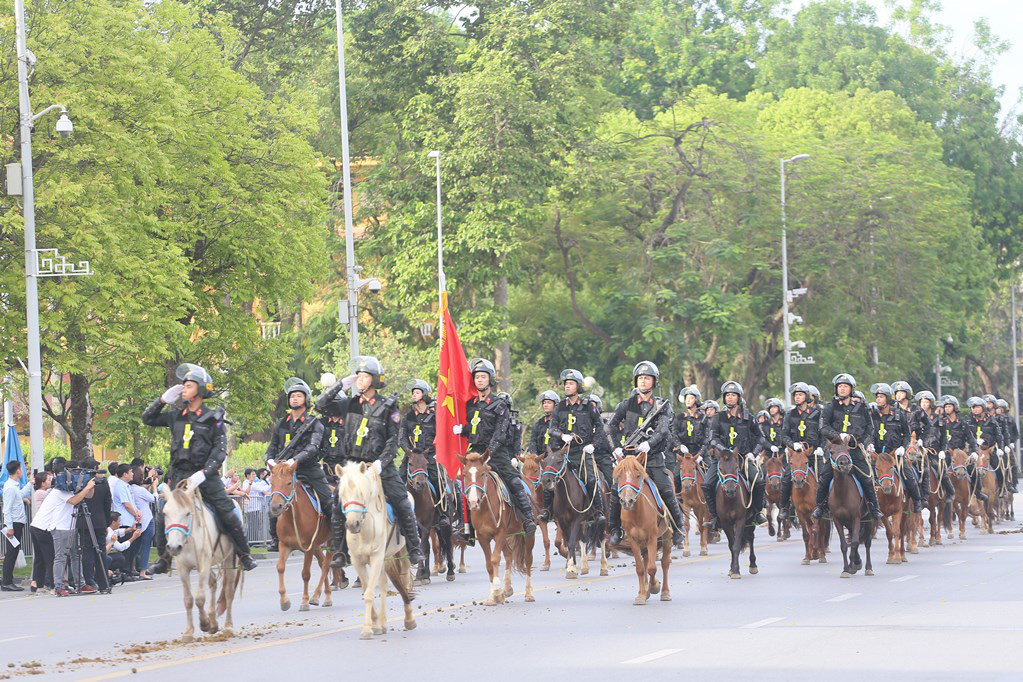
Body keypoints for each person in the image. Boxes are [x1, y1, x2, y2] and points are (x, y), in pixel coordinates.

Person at [142, 363, 257, 573]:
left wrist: (204, 473)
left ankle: (244, 554)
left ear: (201, 390)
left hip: (205, 476)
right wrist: (161, 401)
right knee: (163, 514)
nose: (183, 389)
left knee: (227, 511)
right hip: (179, 476)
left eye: (189, 386)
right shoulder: (175, 416)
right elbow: (147, 418)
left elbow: (220, 451)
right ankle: (164, 559)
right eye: (183, 386)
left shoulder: (214, 419)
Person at [331, 356, 426, 565]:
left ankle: (414, 546)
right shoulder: (350, 404)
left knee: (402, 500)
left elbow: (393, 439)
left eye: (364, 377)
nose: (359, 380)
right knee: (337, 502)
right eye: (358, 377)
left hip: (380, 466)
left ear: (374, 380)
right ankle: (340, 551)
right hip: (354, 466)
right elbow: (322, 406)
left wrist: (381, 463)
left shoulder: (388, 407)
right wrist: (341, 384)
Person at [454, 358, 538, 538]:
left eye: (483, 377)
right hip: (474, 453)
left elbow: (500, 432)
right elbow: (473, 427)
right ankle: (464, 525)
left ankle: (528, 518)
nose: (479, 380)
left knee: (514, 481)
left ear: (490, 379)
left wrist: (489, 453)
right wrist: (462, 429)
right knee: (462, 483)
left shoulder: (499, 405)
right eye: (476, 377)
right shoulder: (471, 405)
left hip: (496, 453)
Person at [605, 361, 685, 547]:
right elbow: (609, 427)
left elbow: (663, 429)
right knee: (617, 489)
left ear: (653, 382)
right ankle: (615, 528)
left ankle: (678, 526)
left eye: (647, 378)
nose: (643, 381)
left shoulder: (662, 405)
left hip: (653, 457)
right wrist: (615, 447)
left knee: (666, 489)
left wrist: (649, 444)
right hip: (630, 459)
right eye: (640, 378)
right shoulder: (626, 404)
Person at [543, 369, 609, 525]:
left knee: (591, 479)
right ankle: (547, 511)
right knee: (548, 477)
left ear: (578, 386)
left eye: (571, 383)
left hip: (583, 452)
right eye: (566, 383)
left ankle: (598, 511)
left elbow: (600, 428)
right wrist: (561, 435)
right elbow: (552, 429)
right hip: (564, 453)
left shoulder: (588, 406)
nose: (567, 386)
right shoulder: (559, 407)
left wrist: (593, 445)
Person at [814, 373, 882, 521]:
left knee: (867, 477)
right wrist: (837, 437)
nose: (842, 389)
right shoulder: (830, 407)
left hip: (855, 449)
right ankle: (821, 506)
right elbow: (823, 427)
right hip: (837, 449)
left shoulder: (862, 407)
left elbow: (869, 429)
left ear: (851, 389)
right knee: (824, 477)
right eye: (840, 386)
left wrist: (864, 441)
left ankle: (874, 507)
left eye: (845, 386)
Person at [702, 380, 768, 530]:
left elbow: (761, 437)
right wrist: (725, 451)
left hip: (743, 458)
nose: (730, 398)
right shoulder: (718, 417)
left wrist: (754, 453)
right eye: (727, 395)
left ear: (738, 397)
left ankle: (757, 513)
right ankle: (714, 517)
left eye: (733, 395)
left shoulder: (748, 417)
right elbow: (713, 438)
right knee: (706, 484)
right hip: (722, 459)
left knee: (758, 481)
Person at [30, 464, 96, 597]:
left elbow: (88, 496)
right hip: (59, 527)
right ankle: (58, 586)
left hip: (70, 526)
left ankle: (80, 583)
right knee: (60, 557)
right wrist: (86, 488)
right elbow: (75, 500)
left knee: (76, 556)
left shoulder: (70, 490)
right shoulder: (59, 491)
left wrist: (90, 486)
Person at [869, 383, 924, 513]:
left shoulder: (899, 414)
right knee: (866, 477)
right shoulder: (872, 414)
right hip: (877, 455)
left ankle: (917, 501)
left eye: (881, 397)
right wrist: (869, 444)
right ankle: (868, 506)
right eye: (877, 397)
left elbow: (906, 434)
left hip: (894, 454)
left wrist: (903, 448)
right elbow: (868, 432)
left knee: (909, 476)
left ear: (888, 398)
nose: (878, 399)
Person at [777, 382, 823, 522]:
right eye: (795, 395)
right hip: (796, 454)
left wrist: (821, 447)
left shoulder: (817, 414)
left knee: (824, 477)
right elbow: (783, 435)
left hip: (813, 453)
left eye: (800, 394)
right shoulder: (789, 414)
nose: (797, 397)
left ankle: (825, 506)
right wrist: (793, 444)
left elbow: (823, 432)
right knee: (785, 479)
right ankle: (784, 508)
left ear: (807, 396)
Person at [2, 461, 33, 591]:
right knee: (11, 553)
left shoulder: (13, 486)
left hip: (16, 523)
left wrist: (30, 483)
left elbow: (19, 495)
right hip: (13, 524)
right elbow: (7, 509)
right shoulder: (10, 487)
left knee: (13, 552)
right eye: (21, 469)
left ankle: (8, 581)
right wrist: (9, 527)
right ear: (18, 471)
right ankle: (7, 582)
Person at [130, 466, 157, 579]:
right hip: (146, 519)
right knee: (146, 546)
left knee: (134, 546)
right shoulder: (140, 490)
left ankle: (130, 569)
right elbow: (154, 499)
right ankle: (142, 572)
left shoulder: (129, 488)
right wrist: (154, 487)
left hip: (135, 521)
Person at [29, 472, 53, 593]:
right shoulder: (42, 493)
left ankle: (39, 584)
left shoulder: (42, 492)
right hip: (43, 527)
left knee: (40, 558)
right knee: (49, 556)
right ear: (42, 483)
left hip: (38, 526)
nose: (51, 481)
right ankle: (53, 585)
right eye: (49, 480)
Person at [105, 512, 141, 582]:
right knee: (120, 558)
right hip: (103, 556)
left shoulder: (110, 529)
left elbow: (118, 531)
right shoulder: (109, 534)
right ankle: (107, 571)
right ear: (113, 523)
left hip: (105, 555)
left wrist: (130, 529)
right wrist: (133, 538)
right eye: (119, 521)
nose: (120, 523)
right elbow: (121, 548)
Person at [527, 391, 559, 456]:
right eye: (544, 403)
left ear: (555, 404)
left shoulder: (560, 423)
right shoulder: (538, 423)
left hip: (555, 459)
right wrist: (534, 454)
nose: (545, 405)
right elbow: (533, 441)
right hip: (539, 458)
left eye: (549, 403)